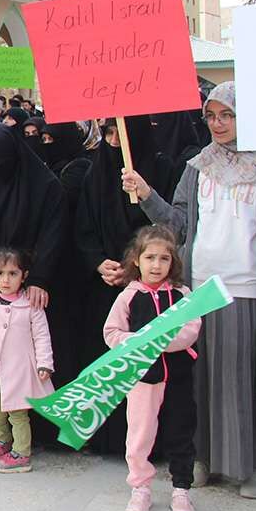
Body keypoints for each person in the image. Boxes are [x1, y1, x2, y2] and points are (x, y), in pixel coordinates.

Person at [124, 82, 256, 498]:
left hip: (247, 289)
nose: (217, 124)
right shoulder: (197, 166)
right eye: (210, 116)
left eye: (227, 115)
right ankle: (200, 458)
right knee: (199, 379)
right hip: (199, 290)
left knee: (243, 378)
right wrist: (146, 194)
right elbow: (178, 224)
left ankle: (252, 467)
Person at [74, 116, 178, 453]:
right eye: (108, 132)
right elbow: (83, 225)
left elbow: (164, 227)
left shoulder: (160, 169)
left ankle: (147, 445)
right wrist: (97, 261)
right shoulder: (96, 172)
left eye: (121, 132)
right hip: (104, 283)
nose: (114, 140)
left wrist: (133, 266)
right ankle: (105, 438)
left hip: (147, 285)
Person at [0, 124, 66, 450]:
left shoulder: (44, 186)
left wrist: (38, 277)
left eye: (0, 164)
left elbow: (53, 232)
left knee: (27, 366)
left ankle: (28, 441)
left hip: (28, 290)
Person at [104, 226, 202, 511]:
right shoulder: (128, 296)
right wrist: (137, 341)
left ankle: (181, 490)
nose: (156, 265)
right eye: (150, 258)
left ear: (173, 262)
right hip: (142, 379)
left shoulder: (183, 295)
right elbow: (111, 333)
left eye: (164, 258)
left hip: (178, 378)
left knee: (181, 431)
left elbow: (191, 330)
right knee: (140, 434)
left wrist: (159, 341)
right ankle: (141, 488)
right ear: (136, 260)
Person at [0, 247, 54, 473]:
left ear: (24, 276)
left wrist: (45, 363)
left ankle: (22, 452)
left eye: (13, 274)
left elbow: (42, 336)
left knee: (18, 414)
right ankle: (2, 440)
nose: (6, 280)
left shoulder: (30, 305)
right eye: (0, 273)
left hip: (18, 371)